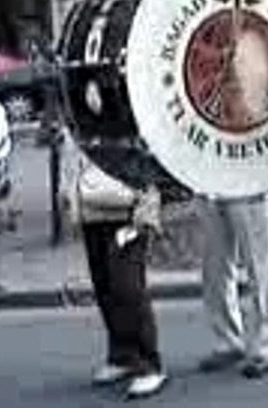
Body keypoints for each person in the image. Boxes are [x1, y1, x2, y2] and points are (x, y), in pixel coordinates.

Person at [71, 151, 167, 400]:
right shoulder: (79, 114)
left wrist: (147, 205)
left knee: (127, 286)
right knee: (104, 285)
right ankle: (122, 355)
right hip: (92, 206)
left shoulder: (132, 112)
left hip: (130, 208)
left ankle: (150, 364)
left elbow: (150, 148)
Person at [197, 193, 268, 378]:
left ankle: (266, 345)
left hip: (252, 184)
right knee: (214, 265)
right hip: (208, 182)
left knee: (259, 265)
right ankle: (229, 341)